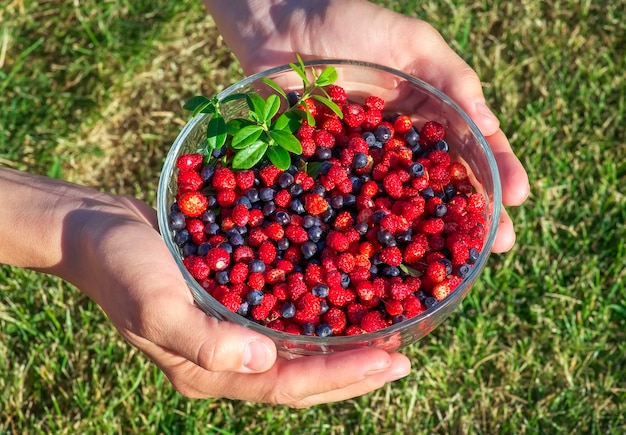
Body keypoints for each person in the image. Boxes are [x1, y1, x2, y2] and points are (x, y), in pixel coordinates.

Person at [0, 0, 529, 408]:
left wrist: (280, 11)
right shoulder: (269, 228)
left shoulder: (391, 206)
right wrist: (75, 237)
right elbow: (288, 224)